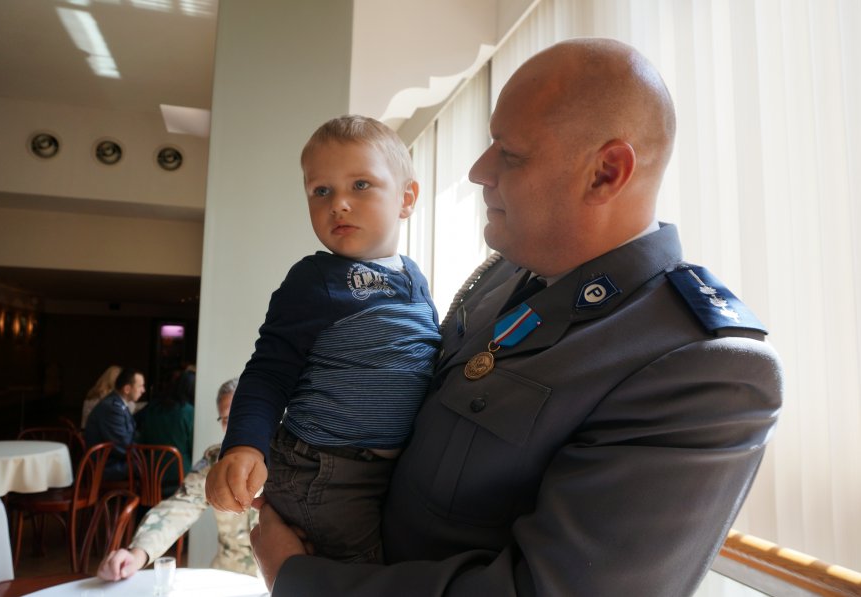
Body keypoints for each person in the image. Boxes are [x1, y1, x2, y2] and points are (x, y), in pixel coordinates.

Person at [238, 38, 784, 596]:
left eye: (510, 153)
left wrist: (300, 580)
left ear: (605, 173)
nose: (478, 171)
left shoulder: (707, 368)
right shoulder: (506, 275)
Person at [206, 115, 442, 563]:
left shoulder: (415, 276)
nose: (339, 204)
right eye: (321, 191)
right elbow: (269, 371)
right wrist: (243, 445)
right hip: (324, 470)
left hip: (388, 469)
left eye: (360, 185)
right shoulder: (315, 278)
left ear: (407, 198)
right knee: (359, 580)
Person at [96, 378, 260, 579]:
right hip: (230, 576)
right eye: (226, 419)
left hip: (281, 581)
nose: (235, 426)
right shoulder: (214, 461)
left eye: (242, 415)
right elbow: (180, 507)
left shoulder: (289, 461)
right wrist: (137, 554)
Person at [135, 370, 195, 492]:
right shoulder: (188, 412)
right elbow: (195, 447)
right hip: (180, 479)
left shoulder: (153, 408)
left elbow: (141, 441)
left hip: (149, 478)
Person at [83, 367, 146, 481]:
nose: (143, 390)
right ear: (127, 389)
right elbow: (123, 446)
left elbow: (130, 435)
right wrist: (146, 450)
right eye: (140, 386)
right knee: (152, 463)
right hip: (106, 466)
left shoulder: (118, 403)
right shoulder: (112, 408)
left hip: (114, 461)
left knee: (152, 460)